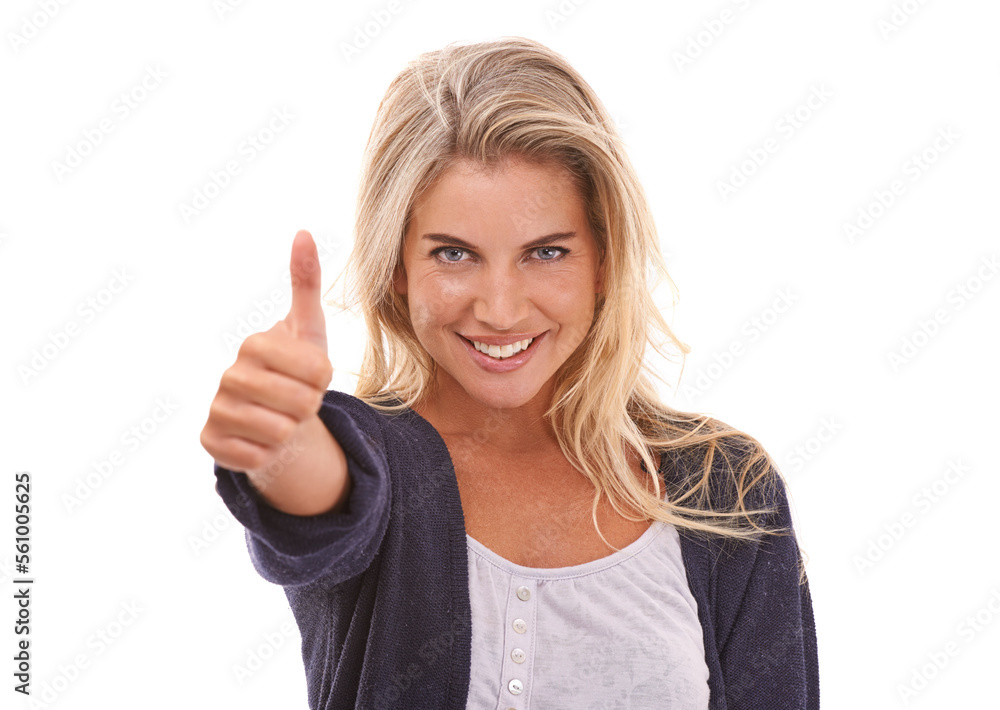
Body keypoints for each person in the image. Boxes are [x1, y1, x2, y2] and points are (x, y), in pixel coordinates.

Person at [200, 36, 819, 709]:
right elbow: (313, 490)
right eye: (456, 254)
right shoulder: (372, 463)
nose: (500, 309)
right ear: (400, 268)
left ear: (604, 259)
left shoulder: (725, 490)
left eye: (546, 252)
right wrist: (278, 435)